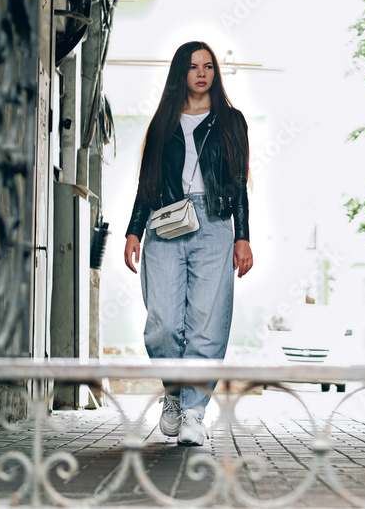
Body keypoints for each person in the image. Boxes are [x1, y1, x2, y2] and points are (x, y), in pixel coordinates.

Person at [123, 41, 253, 446]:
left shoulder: (231, 121)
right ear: (181, 72)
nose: (202, 73)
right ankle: (175, 395)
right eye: (194, 66)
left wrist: (243, 236)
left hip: (215, 222)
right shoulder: (162, 122)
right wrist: (133, 229)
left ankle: (195, 413)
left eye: (209, 66)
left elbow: (239, 183)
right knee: (162, 322)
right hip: (165, 222)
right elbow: (146, 184)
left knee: (207, 322)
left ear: (215, 73)